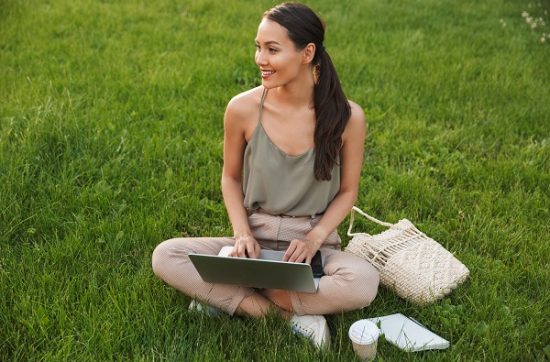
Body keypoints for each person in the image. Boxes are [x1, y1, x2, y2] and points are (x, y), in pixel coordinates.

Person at [152, 2, 379, 349]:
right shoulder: (241, 108)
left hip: (311, 244)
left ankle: (227, 295)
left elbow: (348, 192)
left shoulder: (349, 117)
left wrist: (315, 239)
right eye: (258, 47)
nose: (260, 58)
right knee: (165, 255)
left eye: (272, 49)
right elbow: (230, 179)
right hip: (254, 239)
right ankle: (284, 315)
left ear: (307, 53)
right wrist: (242, 234)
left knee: (363, 282)